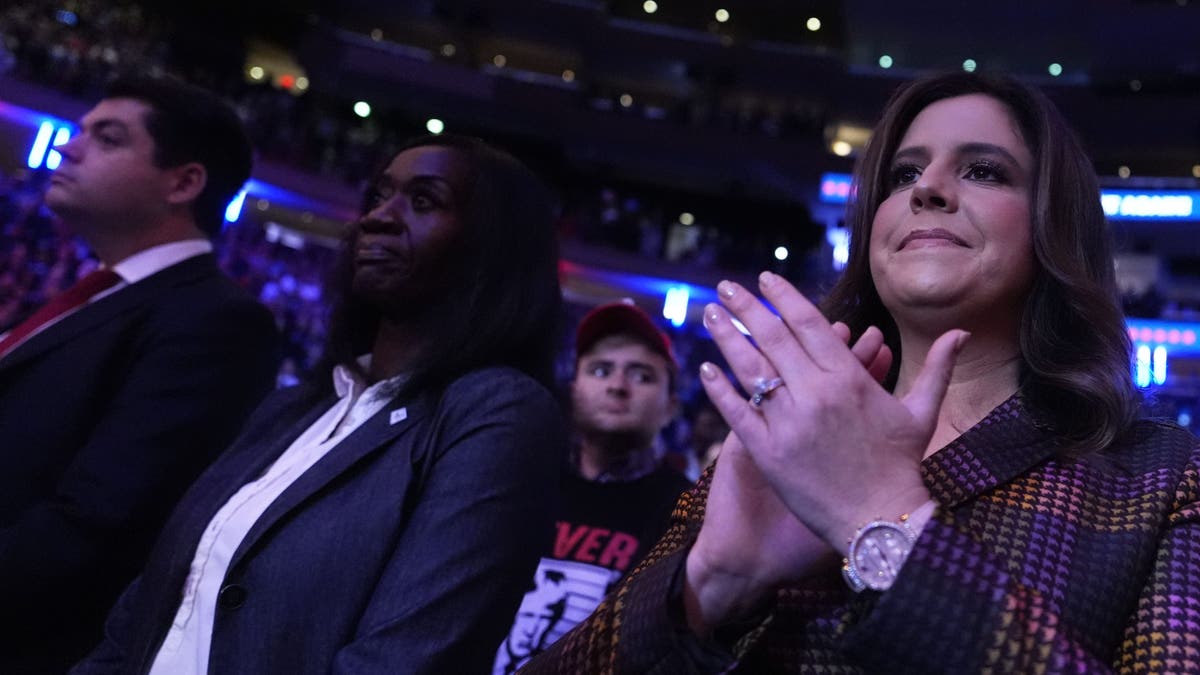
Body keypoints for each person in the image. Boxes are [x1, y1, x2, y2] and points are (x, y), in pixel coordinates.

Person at [524, 72, 1200, 673]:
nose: (928, 189)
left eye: (985, 171)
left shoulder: (1167, 477)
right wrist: (711, 583)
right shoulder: (779, 430)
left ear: (1054, 223)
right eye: (903, 175)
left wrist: (883, 523)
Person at [72, 133, 566, 675]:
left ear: (492, 250)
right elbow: (149, 606)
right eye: (379, 197)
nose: (377, 217)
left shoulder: (498, 413)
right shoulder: (291, 409)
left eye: (423, 202)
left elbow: (404, 661)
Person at [0, 75, 279, 673]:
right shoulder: (101, 293)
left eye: (107, 138)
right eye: (78, 131)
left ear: (184, 182)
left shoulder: (216, 321)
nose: (70, 148)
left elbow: (96, 522)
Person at [494, 302, 691, 673]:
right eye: (601, 370)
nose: (617, 386)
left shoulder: (686, 509)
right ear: (575, 388)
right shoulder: (521, 482)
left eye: (642, 376)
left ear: (671, 407)